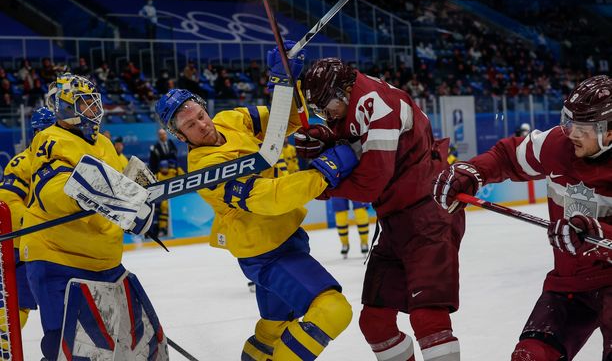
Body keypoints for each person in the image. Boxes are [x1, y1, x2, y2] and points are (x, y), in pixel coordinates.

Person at [154, 42, 358, 360]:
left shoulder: (232, 120)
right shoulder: (205, 167)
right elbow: (265, 199)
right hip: (266, 253)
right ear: (181, 137)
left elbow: (285, 122)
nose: (203, 125)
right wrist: (323, 174)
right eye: (190, 125)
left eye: (201, 115)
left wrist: (286, 81)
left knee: (273, 329)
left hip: (286, 236)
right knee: (333, 311)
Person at [431, 74, 612, 360]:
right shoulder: (557, 145)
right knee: (530, 355)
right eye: (571, 122)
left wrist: (597, 234)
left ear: (609, 132)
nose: (573, 132)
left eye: (584, 127)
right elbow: (507, 156)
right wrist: (473, 172)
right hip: (571, 283)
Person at [298, 57, 464, 361]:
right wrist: (325, 137)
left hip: (429, 214)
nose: (326, 115)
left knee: (428, 318)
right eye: (319, 110)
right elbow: (351, 135)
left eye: (326, 107)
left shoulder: (379, 105)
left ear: (344, 90)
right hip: (395, 220)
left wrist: (316, 185)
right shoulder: (354, 98)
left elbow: (370, 184)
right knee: (374, 322)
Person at [20, 74, 162, 360]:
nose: (94, 111)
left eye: (94, 104)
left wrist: (140, 195)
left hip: (105, 262)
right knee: (70, 348)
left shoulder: (105, 144)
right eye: (85, 104)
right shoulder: (50, 138)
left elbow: (126, 186)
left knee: (138, 343)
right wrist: (106, 195)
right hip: (59, 261)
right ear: (65, 108)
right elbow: (54, 194)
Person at [0, 107, 55, 343]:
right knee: (16, 305)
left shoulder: (62, 160)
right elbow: (8, 203)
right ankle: (5, 348)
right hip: (20, 249)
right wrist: (37, 222)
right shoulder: (23, 162)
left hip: (51, 248)